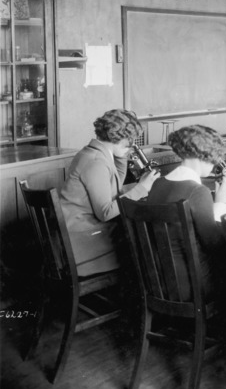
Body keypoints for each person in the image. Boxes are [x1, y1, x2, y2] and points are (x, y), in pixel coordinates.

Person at [59, 109, 159, 276]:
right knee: (147, 246)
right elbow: (105, 213)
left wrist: (121, 155)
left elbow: (115, 182)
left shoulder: (92, 152)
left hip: (77, 233)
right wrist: (142, 188)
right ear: (117, 138)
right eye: (130, 141)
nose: (132, 145)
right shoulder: (96, 162)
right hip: (83, 244)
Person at [145, 125, 226, 301]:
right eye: (213, 158)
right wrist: (222, 203)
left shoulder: (158, 184)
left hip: (159, 281)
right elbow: (215, 243)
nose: (214, 163)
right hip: (193, 286)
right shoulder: (197, 191)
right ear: (200, 156)